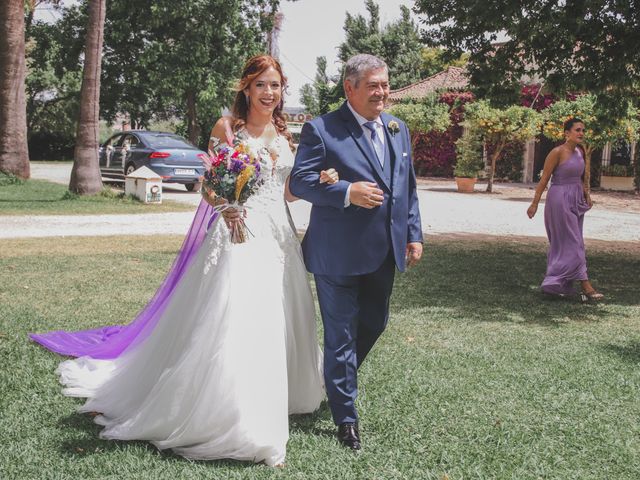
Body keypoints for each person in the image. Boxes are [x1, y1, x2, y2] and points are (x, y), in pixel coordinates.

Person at [36, 55, 334, 467]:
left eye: (277, 85)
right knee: (236, 316)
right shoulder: (226, 128)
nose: (270, 93)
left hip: (279, 236)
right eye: (262, 84)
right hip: (236, 232)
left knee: (281, 313)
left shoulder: (285, 132)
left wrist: (318, 181)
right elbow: (207, 187)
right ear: (246, 88)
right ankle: (236, 411)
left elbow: (285, 193)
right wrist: (226, 206)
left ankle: (279, 393)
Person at [289, 53, 423, 451]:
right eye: (373, 85)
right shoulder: (322, 129)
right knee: (341, 335)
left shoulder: (398, 129)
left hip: (385, 251)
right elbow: (300, 183)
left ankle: (334, 378)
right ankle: (346, 418)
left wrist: (414, 234)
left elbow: (407, 187)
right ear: (350, 88)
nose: (382, 92)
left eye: (385, 84)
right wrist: (347, 192)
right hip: (337, 254)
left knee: (374, 324)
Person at [527, 117, 603, 300]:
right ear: (566, 133)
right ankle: (586, 286)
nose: (581, 133)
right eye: (577, 130)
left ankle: (556, 283)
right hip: (559, 199)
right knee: (573, 243)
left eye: (583, 130)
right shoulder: (557, 152)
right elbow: (544, 179)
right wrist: (534, 203)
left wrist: (587, 195)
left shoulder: (581, 151)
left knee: (571, 242)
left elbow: (583, 177)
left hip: (575, 199)